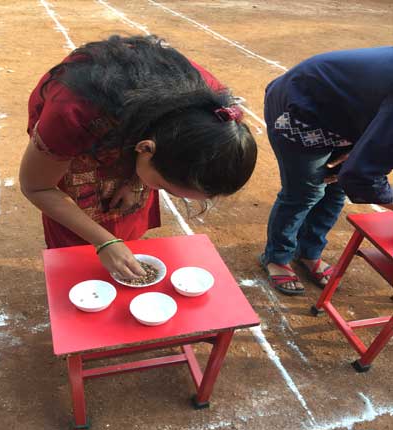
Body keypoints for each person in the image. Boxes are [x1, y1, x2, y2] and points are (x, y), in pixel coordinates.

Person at [19, 34, 257, 280]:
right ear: (144, 148)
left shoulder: (211, 113)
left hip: (138, 129)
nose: (158, 192)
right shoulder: (72, 113)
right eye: (164, 187)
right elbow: (38, 187)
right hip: (85, 118)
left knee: (127, 208)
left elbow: (153, 168)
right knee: (77, 230)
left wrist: (136, 182)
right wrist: (103, 242)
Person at [260, 46, 393, 296]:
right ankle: (276, 256)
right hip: (301, 110)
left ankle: (308, 252)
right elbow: (362, 177)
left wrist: (358, 150)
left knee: (336, 190)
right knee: (305, 192)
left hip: (346, 116)